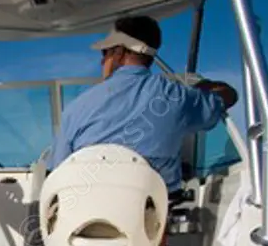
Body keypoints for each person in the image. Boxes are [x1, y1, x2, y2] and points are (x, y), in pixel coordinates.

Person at [51, 16, 239, 205]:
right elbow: (229, 95)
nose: (102, 61)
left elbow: (57, 173)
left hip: (84, 217)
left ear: (119, 52)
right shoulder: (176, 96)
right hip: (150, 224)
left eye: (105, 53)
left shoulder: (76, 108)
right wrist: (202, 88)